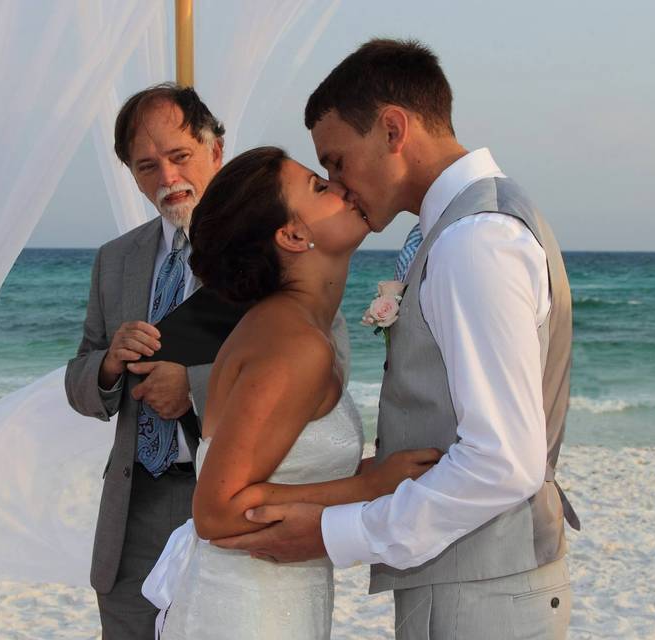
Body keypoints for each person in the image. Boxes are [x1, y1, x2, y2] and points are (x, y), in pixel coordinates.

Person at [214, 39, 581, 640]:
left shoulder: (474, 241)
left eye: (336, 161)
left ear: (391, 130)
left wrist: (337, 531)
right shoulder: (475, 222)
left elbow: (503, 462)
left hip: (481, 591)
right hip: (477, 579)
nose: (339, 184)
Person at [65, 84, 349, 639]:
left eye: (179, 156)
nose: (167, 178)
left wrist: (193, 387)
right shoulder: (115, 260)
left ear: (215, 149)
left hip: (236, 508)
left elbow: (325, 360)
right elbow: (78, 380)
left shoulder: (274, 242)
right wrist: (107, 366)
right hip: (134, 511)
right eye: (147, 166)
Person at [147, 146, 441, 640]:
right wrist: (367, 488)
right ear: (293, 234)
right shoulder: (293, 343)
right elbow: (216, 511)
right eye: (320, 188)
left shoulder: (294, 329)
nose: (343, 187)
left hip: (271, 599)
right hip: (246, 612)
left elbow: (277, 467)